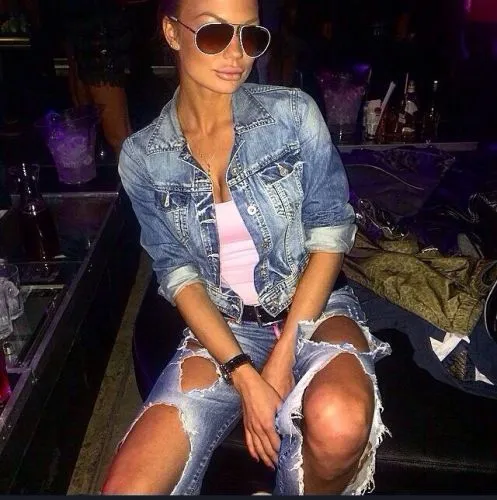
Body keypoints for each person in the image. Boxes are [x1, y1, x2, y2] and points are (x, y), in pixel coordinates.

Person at [102, 0, 391, 495]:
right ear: (171, 32)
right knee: (128, 487)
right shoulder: (142, 156)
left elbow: (329, 232)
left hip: (314, 306)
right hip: (224, 324)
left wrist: (280, 358)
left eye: (251, 36)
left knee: (339, 421)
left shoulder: (292, 114)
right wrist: (243, 374)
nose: (237, 54)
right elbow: (177, 275)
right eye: (215, 34)